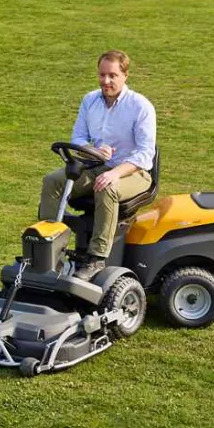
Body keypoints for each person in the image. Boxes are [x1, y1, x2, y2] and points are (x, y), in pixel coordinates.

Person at [38, 50, 156, 281]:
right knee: (52, 181)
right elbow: (78, 137)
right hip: (97, 165)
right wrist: (93, 151)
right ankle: (47, 247)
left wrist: (115, 173)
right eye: (102, 75)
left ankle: (97, 258)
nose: (106, 81)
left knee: (106, 187)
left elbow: (145, 154)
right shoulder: (90, 100)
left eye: (113, 75)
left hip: (134, 172)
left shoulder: (140, 107)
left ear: (125, 75)